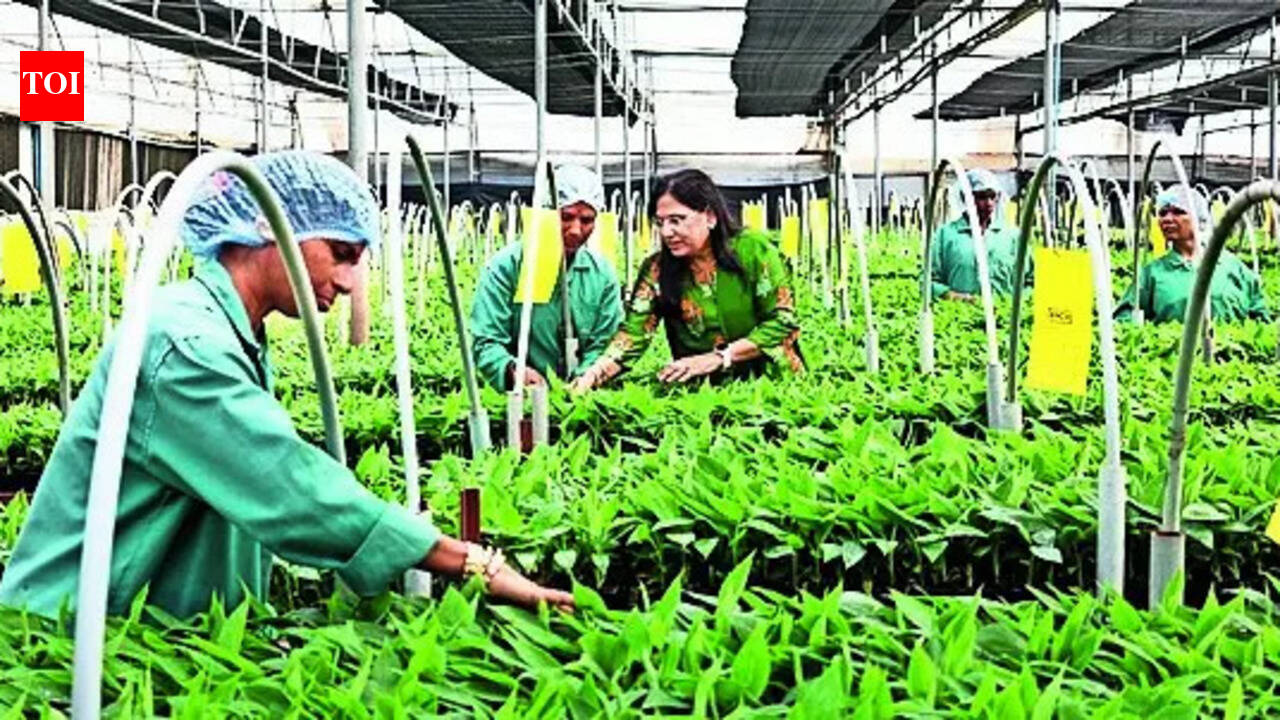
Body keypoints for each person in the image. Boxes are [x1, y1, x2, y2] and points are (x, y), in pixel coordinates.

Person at [0, 151, 573, 620]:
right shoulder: (185, 345)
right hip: (75, 637)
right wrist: (473, 564)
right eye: (340, 255)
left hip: (147, 620)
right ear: (269, 228)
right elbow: (289, 487)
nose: (348, 282)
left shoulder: (229, 330)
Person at [572, 168, 802, 390]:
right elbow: (632, 335)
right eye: (660, 222)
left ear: (710, 217)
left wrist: (720, 357)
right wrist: (592, 375)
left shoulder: (753, 250)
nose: (666, 232)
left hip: (773, 386)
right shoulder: (657, 270)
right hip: (702, 393)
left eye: (677, 220)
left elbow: (783, 322)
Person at [470, 164, 623, 390]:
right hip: (518, 399)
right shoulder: (506, 267)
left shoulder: (602, 275)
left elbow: (605, 342)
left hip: (585, 399)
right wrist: (512, 370)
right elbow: (486, 340)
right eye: (566, 217)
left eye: (587, 220)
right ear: (545, 213)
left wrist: (586, 378)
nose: (575, 230)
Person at [1115, 187, 1269, 324]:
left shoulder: (1234, 268)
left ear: (1199, 218)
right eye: (1162, 213)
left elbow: (1260, 317)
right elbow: (1124, 319)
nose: (1167, 219)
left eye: (1178, 212)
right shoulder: (1151, 274)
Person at [930, 168, 1023, 302]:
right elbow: (927, 281)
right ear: (965, 198)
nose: (989, 203)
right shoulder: (946, 235)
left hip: (1004, 314)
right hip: (959, 314)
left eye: (992, 197)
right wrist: (952, 296)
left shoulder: (1011, 237)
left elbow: (1032, 281)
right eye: (982, 197)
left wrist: (1015, 303)